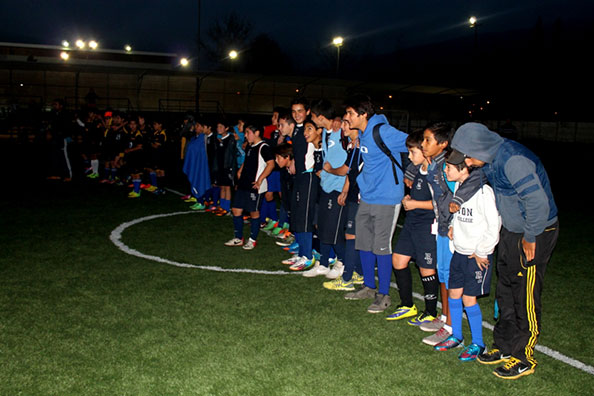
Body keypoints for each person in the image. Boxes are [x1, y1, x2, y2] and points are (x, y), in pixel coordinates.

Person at [451, 122, 559, 379]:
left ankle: (524, 357)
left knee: (525, 294)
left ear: (477, 148)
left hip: (535, 232)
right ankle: (504, 345)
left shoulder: (513, 160)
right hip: (512, 231)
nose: (465, 162)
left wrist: (531, 236)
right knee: (506, 290)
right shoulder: (488, 160)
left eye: (466, 156)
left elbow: (537, 202)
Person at [341, 94, 408, 314]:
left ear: (363, 115)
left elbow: (414, 145)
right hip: (368, 196)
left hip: (387, 198)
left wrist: (412, 175)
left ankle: (384, 295)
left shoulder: (383, 131)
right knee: (364, 243)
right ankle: (369, 287)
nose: (347, 117)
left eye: (350, 113)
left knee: (381, 247)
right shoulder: (362, 133)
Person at [433, 149, 501, 362]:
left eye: (449, 167)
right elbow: (459, 213)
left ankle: (478, 344)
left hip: (475, 257)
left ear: (463, 168)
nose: (445, 170)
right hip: (459, 253)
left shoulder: (483, 192)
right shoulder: (461, 187)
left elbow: (494, 224)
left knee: (468, 299)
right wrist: (453, 225)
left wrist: (482, 251)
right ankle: (457, 336)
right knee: (454, 294)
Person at [385, 130, 440, 327]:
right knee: (398, 260)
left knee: (426, 268)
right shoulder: (416, 169)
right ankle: (407, 305)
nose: (409, 156)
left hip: (427, 225)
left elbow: (440, 203)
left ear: (425, 152)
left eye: (413, 152)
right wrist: (409, 200)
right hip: (411, 222)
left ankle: (431, 312)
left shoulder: (435, 173)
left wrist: (415, 204)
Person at [303, 99, 348, 278]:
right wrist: (324, 172)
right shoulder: (327, 133)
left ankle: (342, 262)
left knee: (334, 230)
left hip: (338, 188)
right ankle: (323, 264)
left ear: (320, 117)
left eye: (313, 117)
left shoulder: (341, 132)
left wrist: (333, 174)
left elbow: (348, 159)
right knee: (322, 228)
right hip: (327, 186)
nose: (313, 120)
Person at [322, 118, 365, 291]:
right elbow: (350, 173)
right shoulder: (351, 145)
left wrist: (329, 169)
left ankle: (347, 278)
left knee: (352, 236)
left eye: (346, 123)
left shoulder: (362, 145)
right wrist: (345, 190)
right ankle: (359, 273)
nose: (342, 126)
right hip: (353, 195)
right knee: (353, 236)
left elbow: (345, 170)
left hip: (362, 197)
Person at [224, 125, 275, 250]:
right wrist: (240, 171)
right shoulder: (250, 146)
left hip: (255, 186)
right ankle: (238, 237)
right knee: (236, 209)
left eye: (247, 132)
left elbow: (271, 164)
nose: (245, 135)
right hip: (244, 184)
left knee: (254, 212)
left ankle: (252, 240)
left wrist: (260, 179)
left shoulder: (264, 147)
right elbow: (247, 161)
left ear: (257, 132)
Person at [287, 97, 318, 271]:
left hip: (308, 177)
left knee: (305, 217)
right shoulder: (297, 130)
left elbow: (319, 145)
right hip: (299, 176)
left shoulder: (311, 129)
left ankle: (308, 256)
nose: (297, 114)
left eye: (300, 111)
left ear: (307, 112)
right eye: (294, 111)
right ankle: (301, 253)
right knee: (298, 215)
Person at [211, 120, 238, 216]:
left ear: (226, 128)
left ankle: (227, 208)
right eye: (218, 127)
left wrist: (231, 168)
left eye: (221, 127)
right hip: (220, 167)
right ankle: (222, 206)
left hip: (228, 167)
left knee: (227, 187)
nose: (219, 129)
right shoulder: (218, 139)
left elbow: (232, 154)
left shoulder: (231, 139)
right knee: (221, 186)